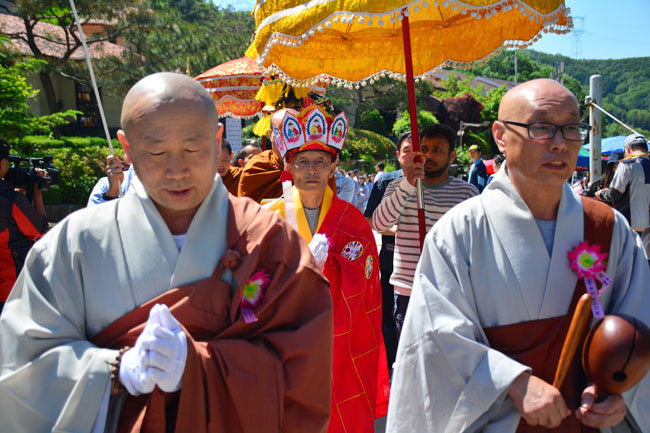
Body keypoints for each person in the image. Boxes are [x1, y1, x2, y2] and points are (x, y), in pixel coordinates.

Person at [0, 72, 333, 433]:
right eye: (156, 151)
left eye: (193, 147)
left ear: (217, 139)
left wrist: (197, 366)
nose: (177, 171)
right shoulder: (74, 244)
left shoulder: (268, 241)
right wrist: (116, 371)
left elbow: (304, 373)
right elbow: (20, 365)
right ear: (127, 148)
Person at [387, 79, 650, 433]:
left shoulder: (608, 227)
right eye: (542, 127)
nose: (560, 143)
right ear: (500, 135)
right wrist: (511, 381)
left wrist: (621, 390)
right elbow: (435, 341)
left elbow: (638, 322)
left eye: (572, 128)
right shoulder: (460, 232)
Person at [267, 105, 390, 433]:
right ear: (289, 166)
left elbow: (367, 283)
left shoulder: (353, 222)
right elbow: (252, 286)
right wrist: (297, 270)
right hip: (286, 339)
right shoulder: (269, 218)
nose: (311, 170)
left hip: (340, 341)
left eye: (321, 161)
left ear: (333, 166)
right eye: (302, 162)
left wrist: (333, 267)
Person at [372, 124, 478, 338]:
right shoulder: (398, 186)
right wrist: (409, 184)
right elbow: (379, 224)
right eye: (425, 149)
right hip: (408, 291)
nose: (428, 155)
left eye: (437, 150)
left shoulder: (466, 193)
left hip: (451, 293)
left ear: (452, 156)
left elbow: (477, 246)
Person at [364, 131, 410, 372]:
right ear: (398, 154)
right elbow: (371, 220)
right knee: (390, 315)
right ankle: (392, 365)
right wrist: (402, 229)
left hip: (422, 262)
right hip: (391, 259)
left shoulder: (433, 182)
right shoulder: (385, 183)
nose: (412, 157)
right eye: (407, 151)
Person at [238, 109, 336, 202]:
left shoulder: (318, 167)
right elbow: (247, 209)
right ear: (270, 134)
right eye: (281, 134)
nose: (288, 141)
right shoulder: (257, 167)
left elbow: (328, 205)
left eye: (295, 133)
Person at [0, 138, 48, 312]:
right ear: (3, 164)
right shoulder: (11, 202)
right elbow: (40, 231)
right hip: (9, 294)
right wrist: (36, 194)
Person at [596, 134, 650, 236]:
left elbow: (615, 193)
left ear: (627, 149)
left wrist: (601, 194)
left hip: (629, 224)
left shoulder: (627, 164)